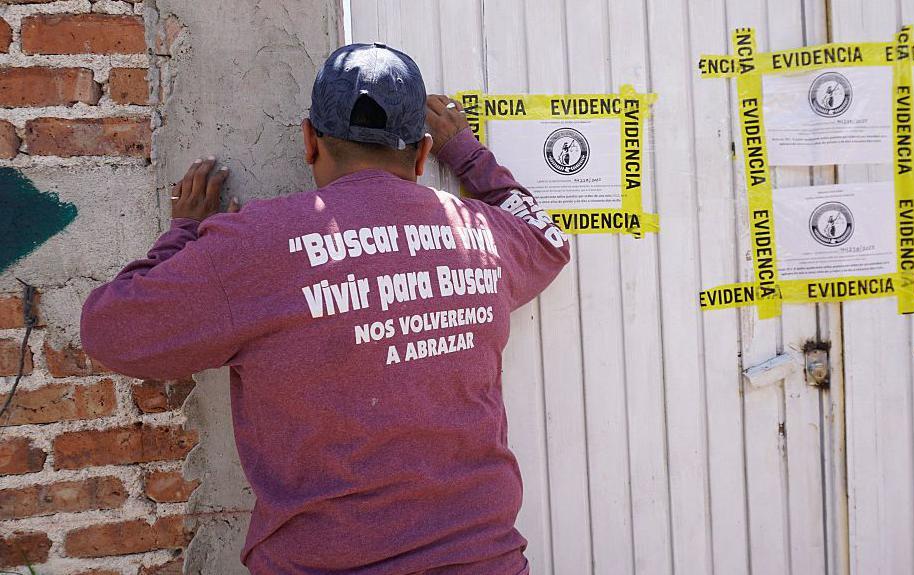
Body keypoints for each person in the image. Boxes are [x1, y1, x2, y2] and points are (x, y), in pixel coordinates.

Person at [80, 43, 570, 574]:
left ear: (309, 140)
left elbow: (111, 331)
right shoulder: (476, 232)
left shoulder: (253, 245)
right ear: (423, 154)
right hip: (483, 560)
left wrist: (182, 237)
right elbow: (548, 240)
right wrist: (468, 153)